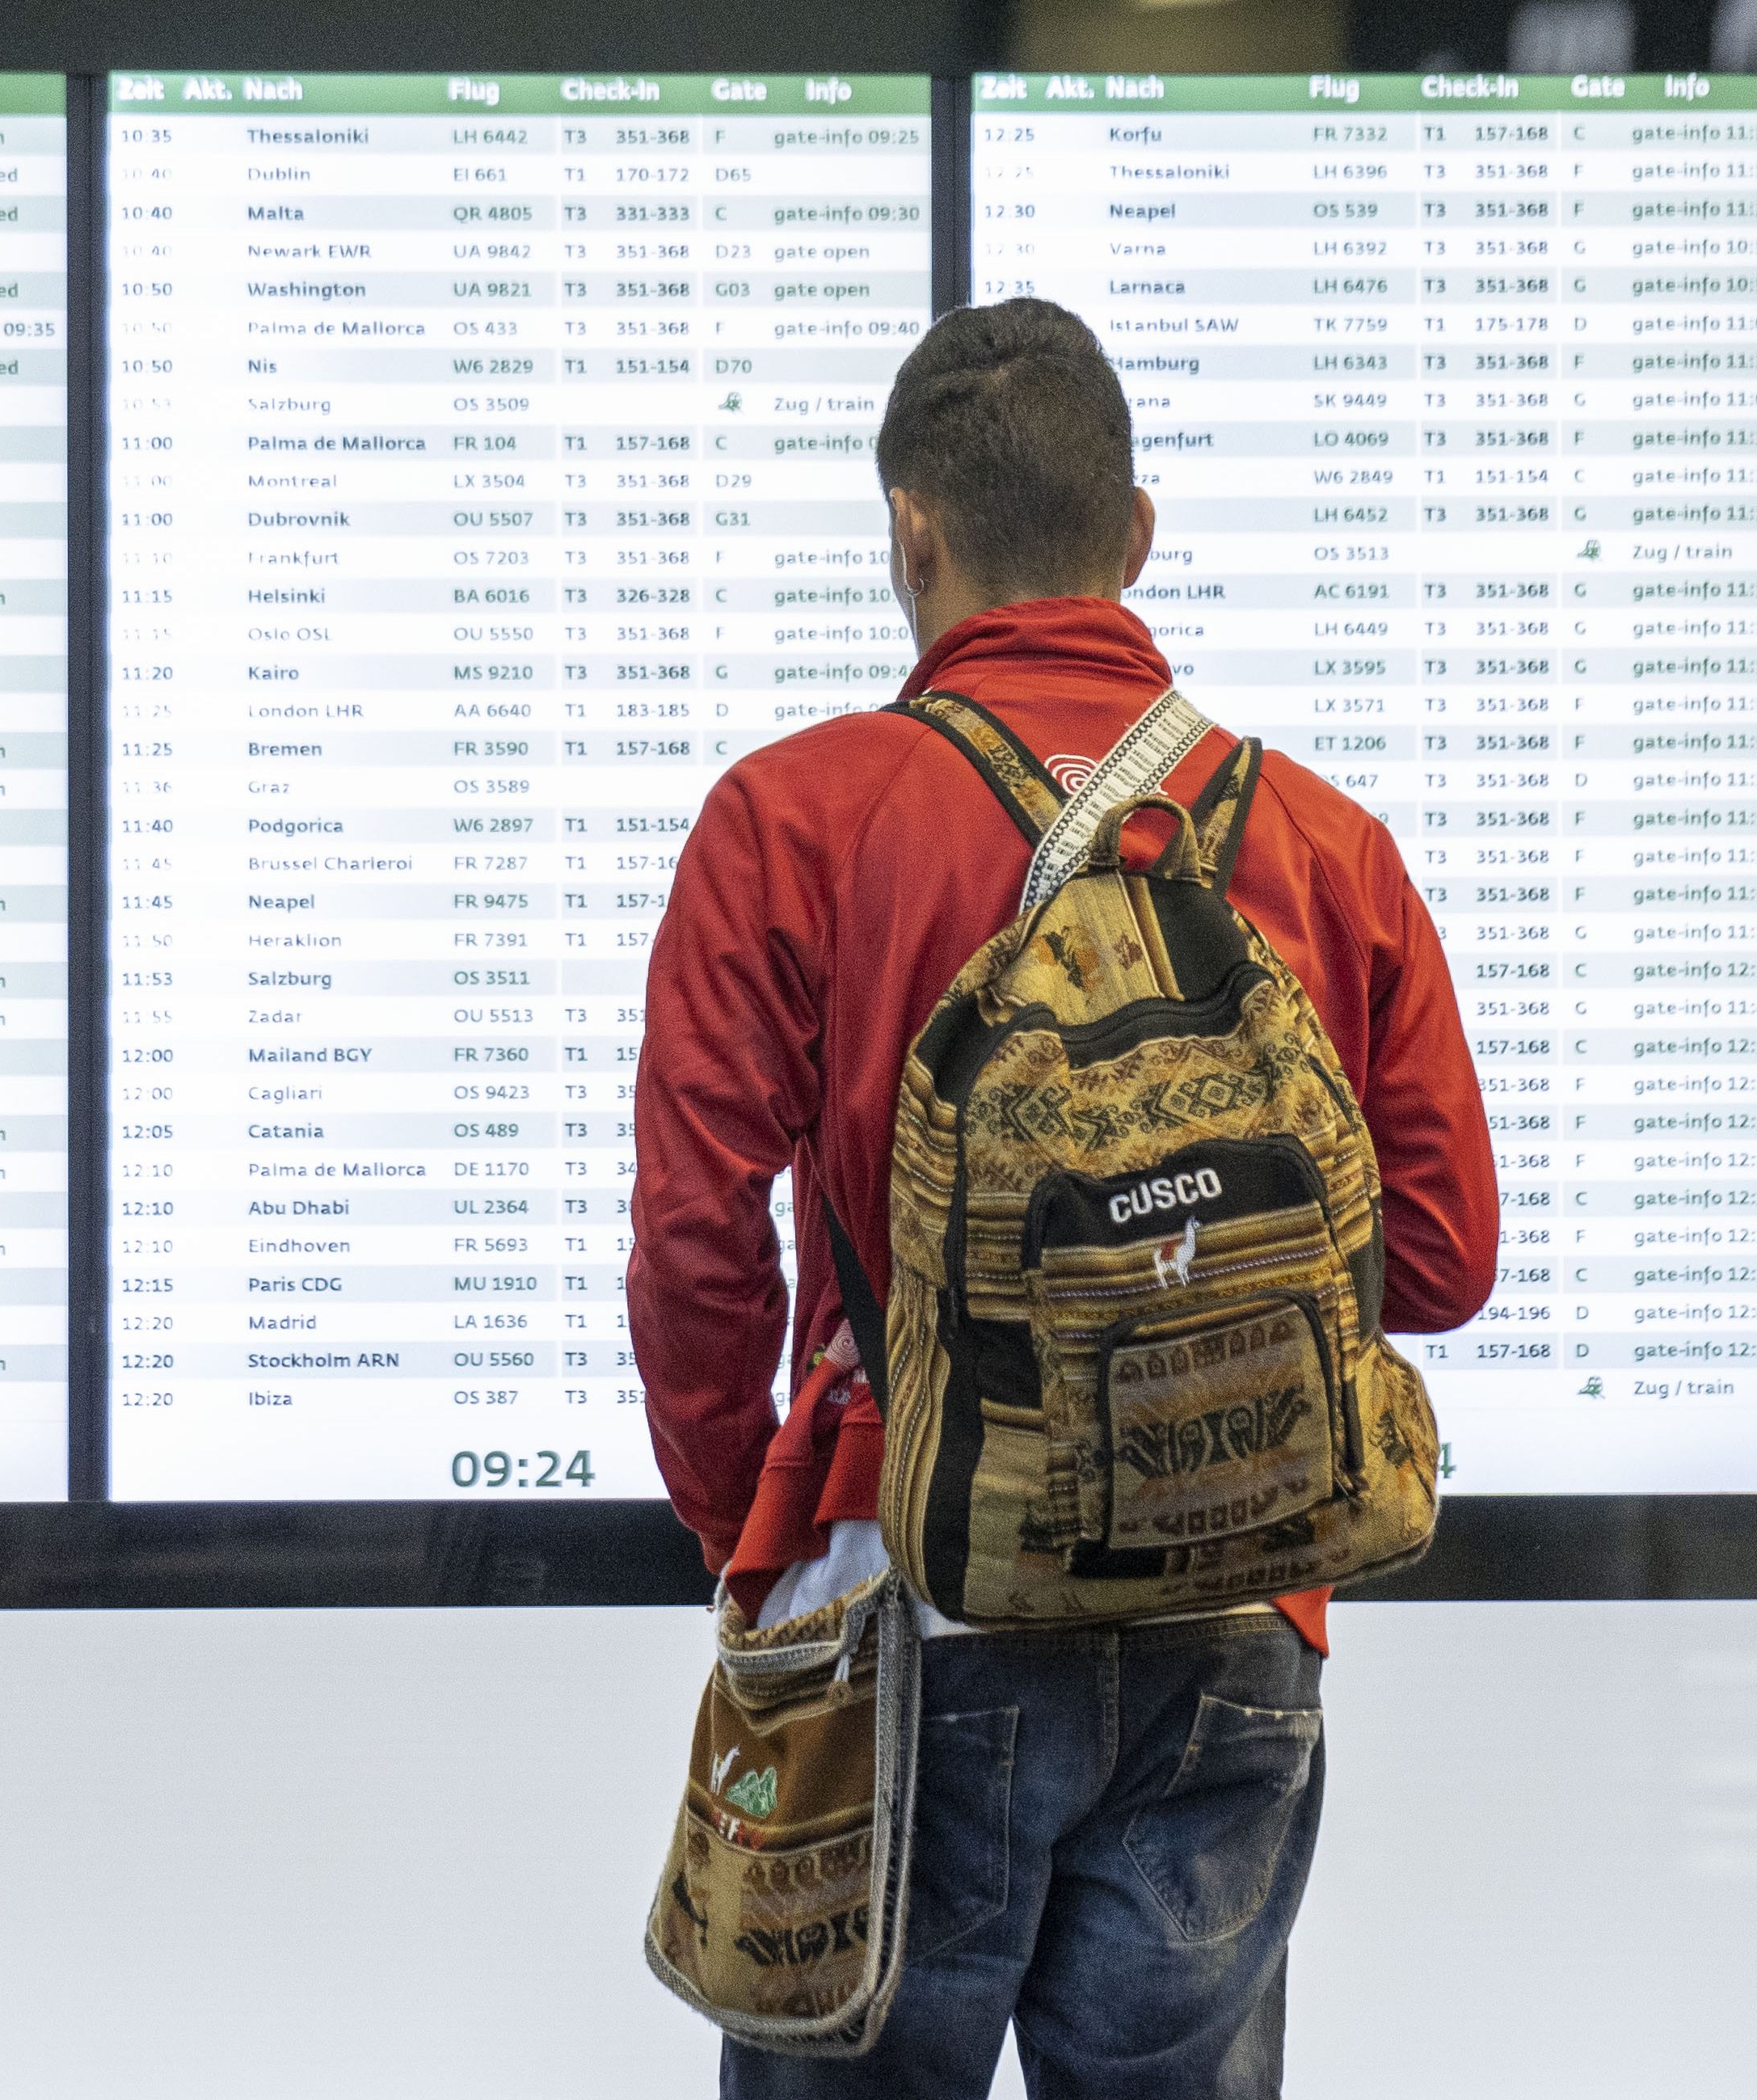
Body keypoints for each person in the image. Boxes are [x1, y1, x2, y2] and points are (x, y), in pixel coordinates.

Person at [628, 297, 1498, 2099]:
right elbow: (1438, 1256)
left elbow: (697, 1243)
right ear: (1140, 535)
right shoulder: (1324, 844)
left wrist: (752, 1534)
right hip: (1240, 1622)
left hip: (902, 1613)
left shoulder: (789, 823)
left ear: (910, 532)